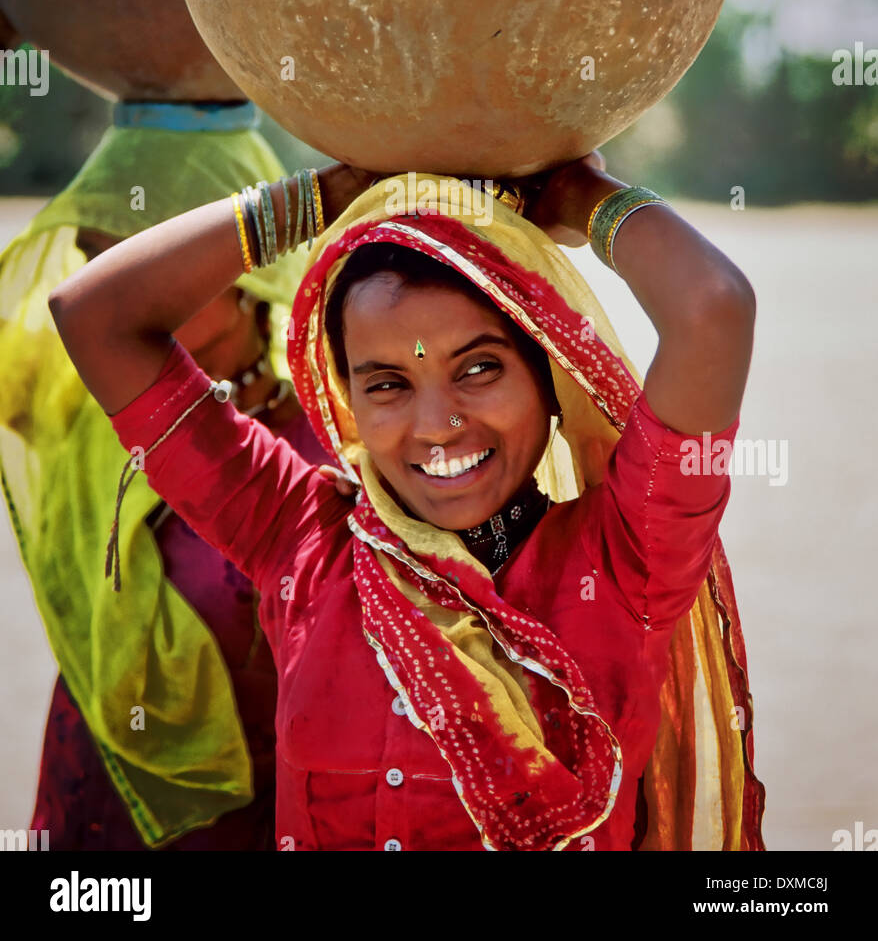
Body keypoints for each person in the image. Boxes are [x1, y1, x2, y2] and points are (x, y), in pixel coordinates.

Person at [48, 154, 766, 851]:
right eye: (387, 383)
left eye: (479, 368)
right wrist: (328, 196)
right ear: (347, 401)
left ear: (550, 380)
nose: (436, 424)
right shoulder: (301, 537)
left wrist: (579, 194)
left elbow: (714, 308)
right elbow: (94, 316)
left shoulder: (624, 562)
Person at [0, 100, 366, 849]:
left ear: (242, 276)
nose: (118, 277)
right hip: (87, 808)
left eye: (143, 252)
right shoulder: (77, 403)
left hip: (249, 822)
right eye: (96, 252)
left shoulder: (325, 454)